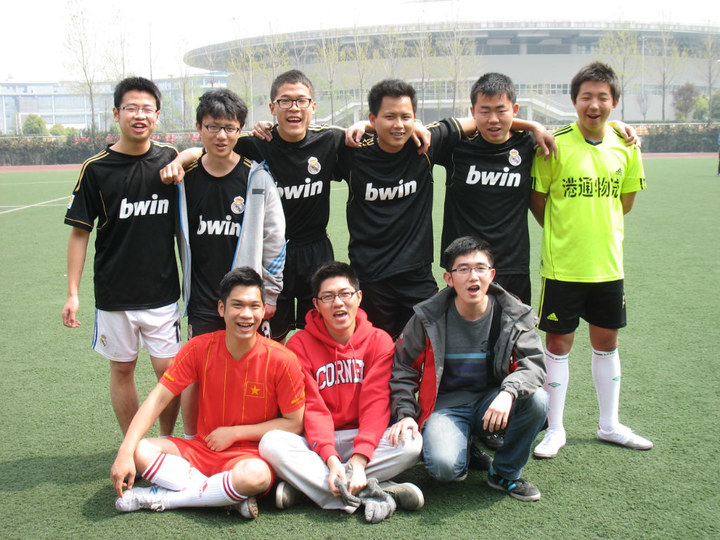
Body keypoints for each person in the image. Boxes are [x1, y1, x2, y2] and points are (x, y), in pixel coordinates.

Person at [335, 79, 555, 339]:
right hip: (370, 275)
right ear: (374, 118)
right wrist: (364, 125)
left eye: (406, 117)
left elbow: (484, 121)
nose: (398, 124)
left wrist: (533, 126)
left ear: (415, 118)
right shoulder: (352, 151)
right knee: (377, 348)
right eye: (389, 117)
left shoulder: (426, 143)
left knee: (433, 347)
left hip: (418, 275)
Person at [163, 70, 344, 341]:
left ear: (313, 106)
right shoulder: (255, 144)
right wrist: (179, 161)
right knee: (272, 339)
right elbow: (210, 150)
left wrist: (362, 127)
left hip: (314, 250)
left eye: (301, 100)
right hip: (268, 256)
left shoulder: (330, 140)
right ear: (272, 107)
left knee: (321, 335)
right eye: (285, 101)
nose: (294, 107)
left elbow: (367, 135)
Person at [110, 267, 305, 519]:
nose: (246, 314)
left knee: (254, 476)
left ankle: (167, 498)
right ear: (221, 309)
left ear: (263, 310)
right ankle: (222, 496)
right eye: (237, 305)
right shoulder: (199, 348)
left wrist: (235, 433)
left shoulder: (282, 359)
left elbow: (294, 422)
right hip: (202, 449)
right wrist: (125, 450)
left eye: (254, 306)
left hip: (250, 456)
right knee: (140, 451)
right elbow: (158, 398)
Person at [530, 62, 653, 459]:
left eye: (602, 97)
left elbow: (626, 202)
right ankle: (555, 429)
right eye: (586, 97)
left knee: (607, 342)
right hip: (562, 267)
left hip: (607, 265)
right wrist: (564, 232)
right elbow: (538, 201)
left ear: (614, 102)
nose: (594, 105)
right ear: (574, 101)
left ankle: (609, 424)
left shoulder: (626, 146)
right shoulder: (553, 145)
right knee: (558, 344)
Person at [62, 76, 181, 437]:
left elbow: (205, 156)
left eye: (147, 109)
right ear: (116, 113)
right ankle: (133, 445)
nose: (139, 115)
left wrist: (186, 157)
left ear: (157, 116)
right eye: (131, 108)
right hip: (114, 292)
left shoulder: (170, 159)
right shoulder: (96, 168)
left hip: (162, 290)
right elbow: (79, 233)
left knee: (169, 372)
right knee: (122, 369)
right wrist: (73, 293)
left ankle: (165, 441)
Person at [389, 236, 548, 501]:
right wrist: (405, 413)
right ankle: (462, 443)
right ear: (449, 278)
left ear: (491, 274)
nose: (473, 276)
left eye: (480, 268)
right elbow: (403, 367)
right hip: (445, 407)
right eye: (463, 269)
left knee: (538, 399)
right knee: (444, 470)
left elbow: (534, 365)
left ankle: (505, 473)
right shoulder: (428, 316)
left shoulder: (512, 312)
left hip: (492, 403)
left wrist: (508, 392)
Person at [259, 262, 423, 517]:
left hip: (366, 437)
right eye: (328, 297)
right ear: (316, 304)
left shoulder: (379, 341)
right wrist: (331, 459)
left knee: (412, 443)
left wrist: (359, 461)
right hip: (317, 442)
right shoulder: (299, 344)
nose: (338, 303)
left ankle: (307, 489)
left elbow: (376, 403)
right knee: (271, 443)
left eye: (345, 294)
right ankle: (374, 491)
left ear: (359, 297)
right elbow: (312, 408)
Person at [175, 88, 286, 438]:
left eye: (229, 127)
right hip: (203, 297)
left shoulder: (257, 178)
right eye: (213, 127)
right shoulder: (185, 179)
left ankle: (254, 438)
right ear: (199, 127)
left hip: (247, 301)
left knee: (252, 370)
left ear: (240, 130)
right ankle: (192, 440)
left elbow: (275, 239)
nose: (221, 135)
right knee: (197, 373)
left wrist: (270, 294)